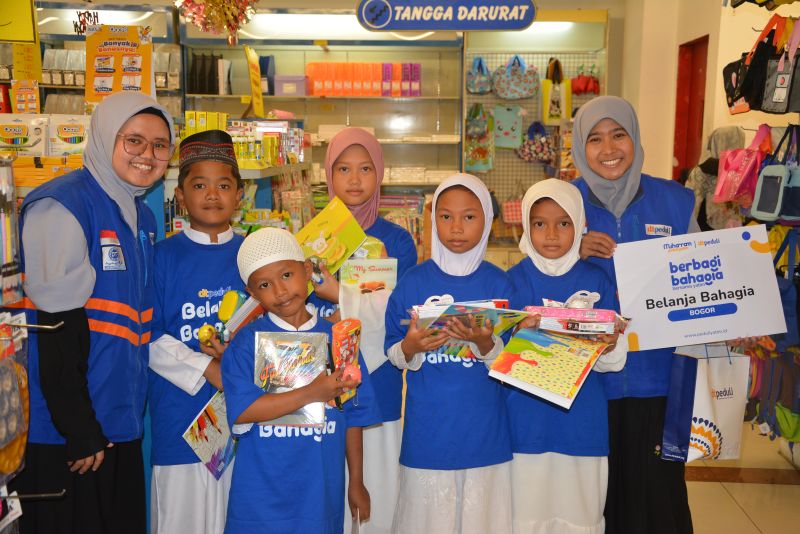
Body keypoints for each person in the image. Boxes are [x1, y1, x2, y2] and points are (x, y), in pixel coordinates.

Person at [9, 92, 174, 533]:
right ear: (104, 137)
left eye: (160, 145)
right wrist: (79, 428)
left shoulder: (140, 217)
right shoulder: (62, 205)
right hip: (64, 435)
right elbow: (52, 328)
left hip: (117, 421)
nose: (147, 154)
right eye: (133, 140)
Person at [571, 96, 697, 534]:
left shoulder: (675, 201)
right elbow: (534, 273)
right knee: (599, 500)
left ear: (635, 138)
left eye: (618, 135)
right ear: (580, 146)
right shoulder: (565, 204)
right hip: (588, 383)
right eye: (595, 138)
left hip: (659, 380)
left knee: (659, 498)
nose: (609, 149)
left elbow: (703, 278)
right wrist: (571, 249)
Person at [221, 228, 381, 533]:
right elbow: (243, 411)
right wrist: (312, 392)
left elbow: (353, 414)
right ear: (252, 292)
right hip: (260, 497)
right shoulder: (245, 344)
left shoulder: (339, 339)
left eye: (287, 275)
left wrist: (356, 482)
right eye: (265, 285)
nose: (280, 291)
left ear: (307, 270)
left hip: (319, 494)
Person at [384, 173, 513, 534]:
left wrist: (486, 345)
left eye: (469, 216)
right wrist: (411, 347)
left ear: (488, 220)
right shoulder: (413, 282)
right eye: (445, 216)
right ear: (433, 219)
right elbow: (393, 350)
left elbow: (514, 363)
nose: (456, 227)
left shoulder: (500, 283)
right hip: (428, 435)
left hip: (485, 436)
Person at [310, 127, 417, 533]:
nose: (354, 180)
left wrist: (337, 294)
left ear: (380, 174)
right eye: (343, 169)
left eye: (365, 169)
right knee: (328, 494)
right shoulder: (314, 238)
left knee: (379, 492)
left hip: (378, 382)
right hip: (322, 382)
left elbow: (397, 314)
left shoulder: (397, 241)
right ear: (328, 174)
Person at [506, 178, 627, 533]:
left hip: (581, 425)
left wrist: (609, 342)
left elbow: (613, 362)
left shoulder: (598, 281)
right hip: (525, 425)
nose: (551, 235)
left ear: (579, 225)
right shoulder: (511, 281)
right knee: (524, 518)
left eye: (563, 223)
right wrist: (518, 334)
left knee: (579, 516)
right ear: (526, 225)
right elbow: (495, 357)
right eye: (539, 223)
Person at [147, 130, 245, 534]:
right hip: (180, 423)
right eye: (200, 185)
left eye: (224, 185)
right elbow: (148, 337)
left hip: (244, 423)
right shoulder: (161, 257)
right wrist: (208, 368)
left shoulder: (254, 256)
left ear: (239, 195)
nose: (212, 195)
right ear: (180, 196)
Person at [684, 126, 745, 230]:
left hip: (703, 229)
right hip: (729, 230)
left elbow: (689, 205)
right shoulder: (742, 170)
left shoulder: (702, 169)